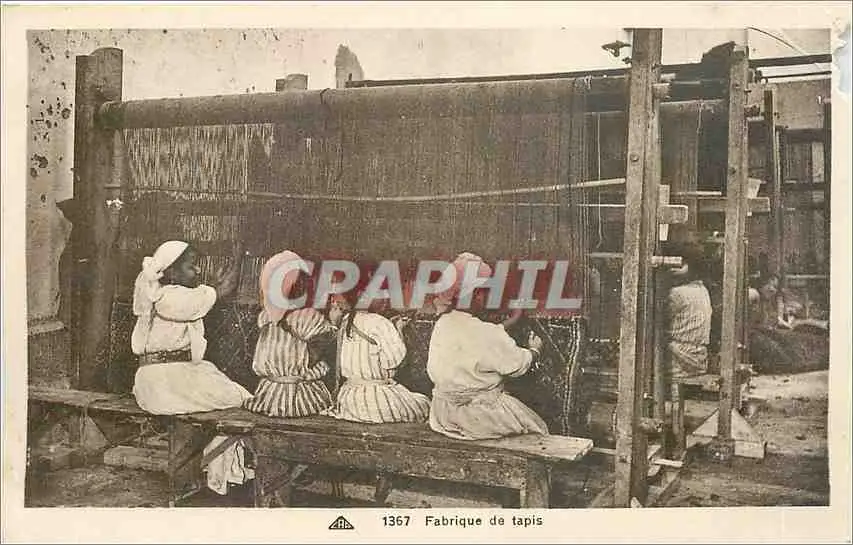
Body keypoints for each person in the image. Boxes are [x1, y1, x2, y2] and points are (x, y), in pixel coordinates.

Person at [130, 239, 254, 496]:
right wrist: (239, 254)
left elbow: (211, 292)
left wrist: (213, 284)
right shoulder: (172, 297)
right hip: (167, 382)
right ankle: (221, 473)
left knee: (220, 403)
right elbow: (226, 289)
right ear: (171, 272)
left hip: (154, 380)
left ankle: (209, 473)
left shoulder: (156, 292)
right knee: (241, 399)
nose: (197, 270)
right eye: (191, 266)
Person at [426, 252, 549, 440]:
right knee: (538, 429)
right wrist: (534, 350)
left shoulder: (443, 323)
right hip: (479, 418)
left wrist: (512, 321)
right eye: (485, 291)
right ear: (476, 294)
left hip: (443, 415)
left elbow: (476, 338)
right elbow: (517, 365)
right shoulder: (486, 333)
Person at [243, 250, 335, 418]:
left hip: (268, 395)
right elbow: (316, 355)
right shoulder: (309, 318)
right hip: (303, 397)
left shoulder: (265, 316)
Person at [323, 291, 431, 424]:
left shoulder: (346, 320)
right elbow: (393, 362)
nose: (386, 300)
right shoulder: (379, 322)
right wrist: (399, 330)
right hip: (375, 401)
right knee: (424, 404)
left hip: (348, 400)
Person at [664, 241, 713, 380]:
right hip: (699, 358)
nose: (672, 269)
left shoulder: (678, 293)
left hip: (680, 359)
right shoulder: (703, 290)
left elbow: (657, 324)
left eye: (680, 265)